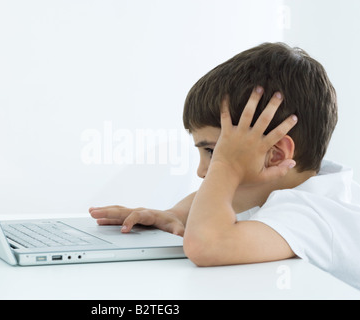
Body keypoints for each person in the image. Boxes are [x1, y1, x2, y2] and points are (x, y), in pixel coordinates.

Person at [89, 43, 360, 290]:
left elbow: (207, 246)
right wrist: (172, 215)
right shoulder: (306, 181)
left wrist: (228, 166)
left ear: (275, 155)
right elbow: (227, 197)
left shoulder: (314, 215)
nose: (204, 171)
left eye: (213, 152)